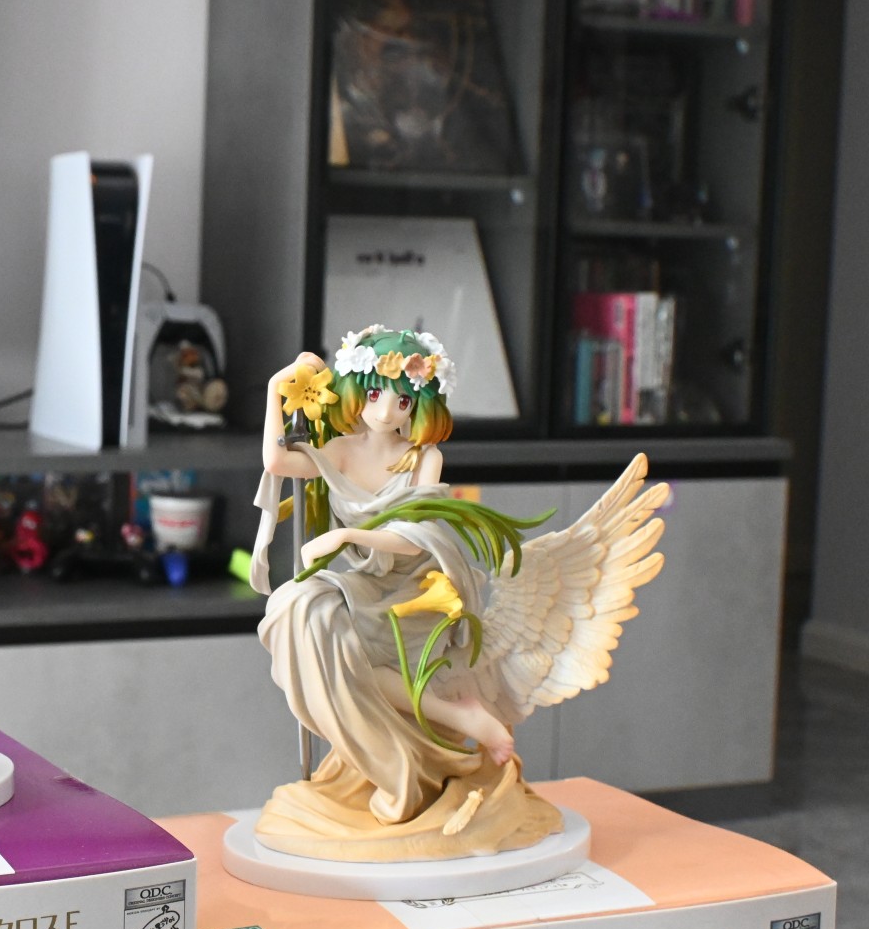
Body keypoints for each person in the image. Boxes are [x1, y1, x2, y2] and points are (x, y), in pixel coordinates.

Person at [249, 325, 668, 860]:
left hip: (413, 591)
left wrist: (346, 536)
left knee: (322, 624)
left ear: (419, 405)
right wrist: (274, 390)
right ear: (356, 392)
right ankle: (447, 722)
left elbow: (414, 537)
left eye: (402, 401)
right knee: (296, 609)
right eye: (375, 395)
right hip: (355, 583)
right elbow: (277, 463)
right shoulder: (341, 449)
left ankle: (434, 742)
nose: (385, 411)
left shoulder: (423, 458)